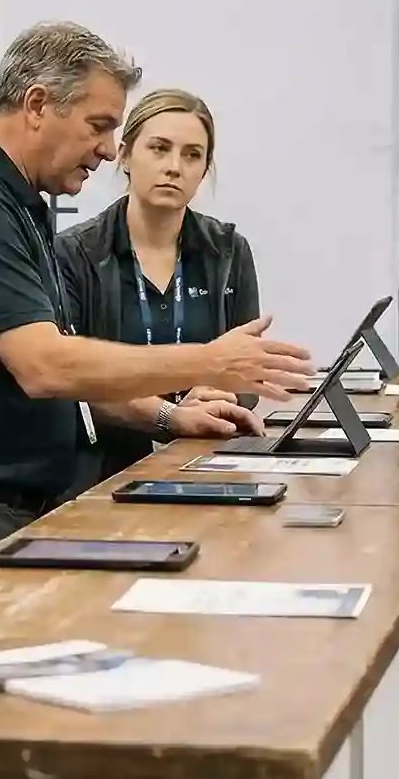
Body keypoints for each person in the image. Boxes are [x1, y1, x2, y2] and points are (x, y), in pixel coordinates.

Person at [0, 21, 312, 604]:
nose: (105, 149)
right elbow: (46, 367)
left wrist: (170, 418)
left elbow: (68, 370)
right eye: (98, 126)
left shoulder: (14, 202)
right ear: (36, 106)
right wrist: (207, 362)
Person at [56, 88, 262, 486]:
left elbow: (246, 368)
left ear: (205, 169)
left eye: (192, 155)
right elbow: (72, 383)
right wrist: (170, 415)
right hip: (103, 477)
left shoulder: (227, 250)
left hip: (205, 466)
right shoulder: (75, 253)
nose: (174, 167)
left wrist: (218, 398)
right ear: (126, 156)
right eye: (159, 149)